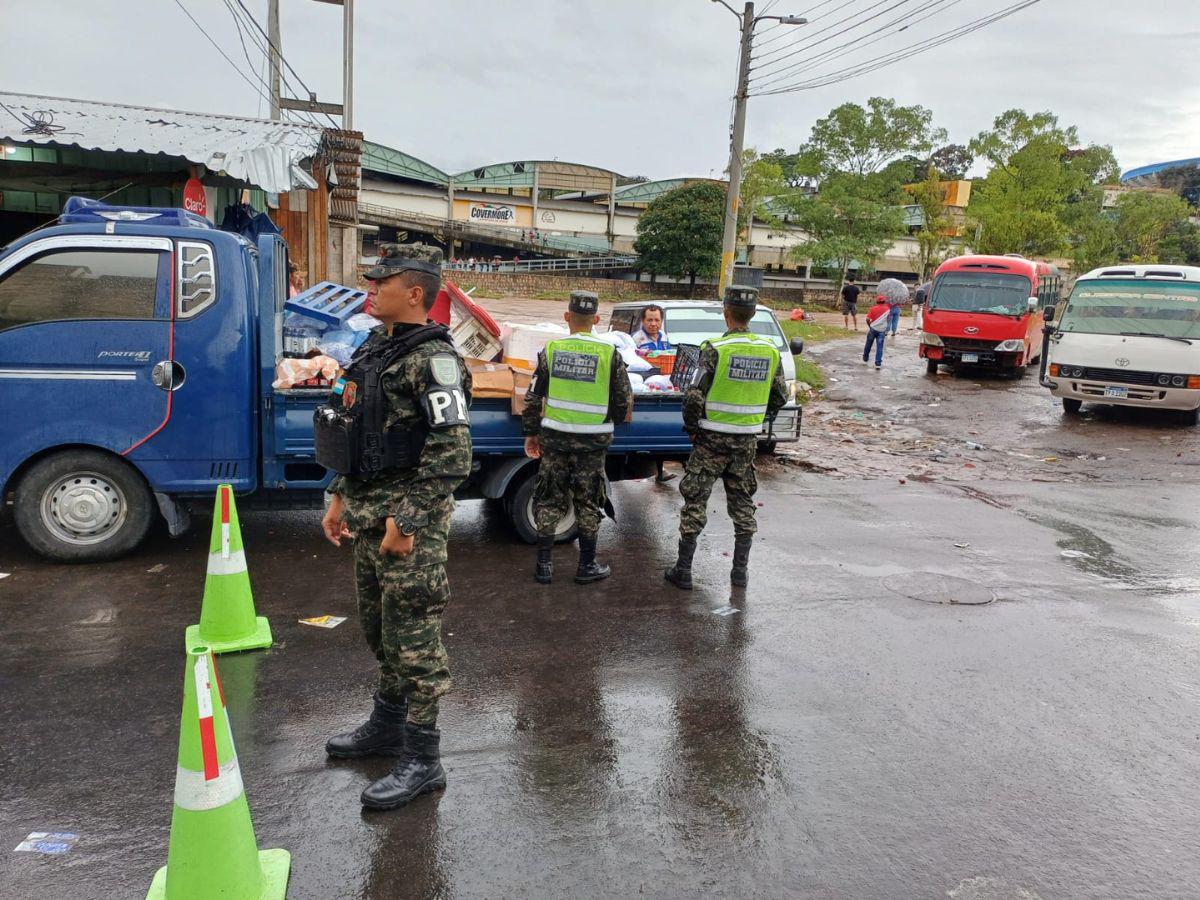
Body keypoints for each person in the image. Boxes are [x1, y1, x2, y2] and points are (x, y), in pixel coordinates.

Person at [316, 243, 473, 811]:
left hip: (410, 528)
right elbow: (353, 431)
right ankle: (386, 725)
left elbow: (452, 456)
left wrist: (405, 522)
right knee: (380, 632)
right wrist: (336, 496)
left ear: (414, 294)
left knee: (416, 643)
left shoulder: (435, 361)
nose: (371, 289)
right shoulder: (374, 349)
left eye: (381, 282)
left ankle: (424, 759)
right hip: (365, 515)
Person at [664, 286, 787, 591]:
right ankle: (740, 573)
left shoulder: (715, 349)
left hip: (711, 439)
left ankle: (683, 571)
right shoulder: (770, 351)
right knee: (743, 504)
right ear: (753, 314)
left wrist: (692, 428)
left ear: (726, 312)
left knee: (695, 501)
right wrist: (757, 418)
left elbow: (693, 396)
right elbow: (780, 396)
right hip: (745, 442)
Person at [523, 290, 633, 585]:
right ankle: (586, 566)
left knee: (548, 498)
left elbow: (533, 397)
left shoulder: (551, 350)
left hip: (555, 438)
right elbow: (624, 399)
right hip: (593, 441)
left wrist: (532, 434)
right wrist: (613, 421)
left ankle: (544, 567)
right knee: (587, 500)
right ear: (597, 319)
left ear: (566, 316)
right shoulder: (610, 353)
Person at [863, 294, 890, 368]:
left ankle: (865, 358)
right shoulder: (888, 309)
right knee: (880, 347)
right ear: (884, 301)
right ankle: (878, 364)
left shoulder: (873, 308)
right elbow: (888, 320)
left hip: (873, 329)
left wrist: (870, 326)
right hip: (882, 330)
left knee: (868, 344)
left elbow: (867, 319)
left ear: (877, 301)